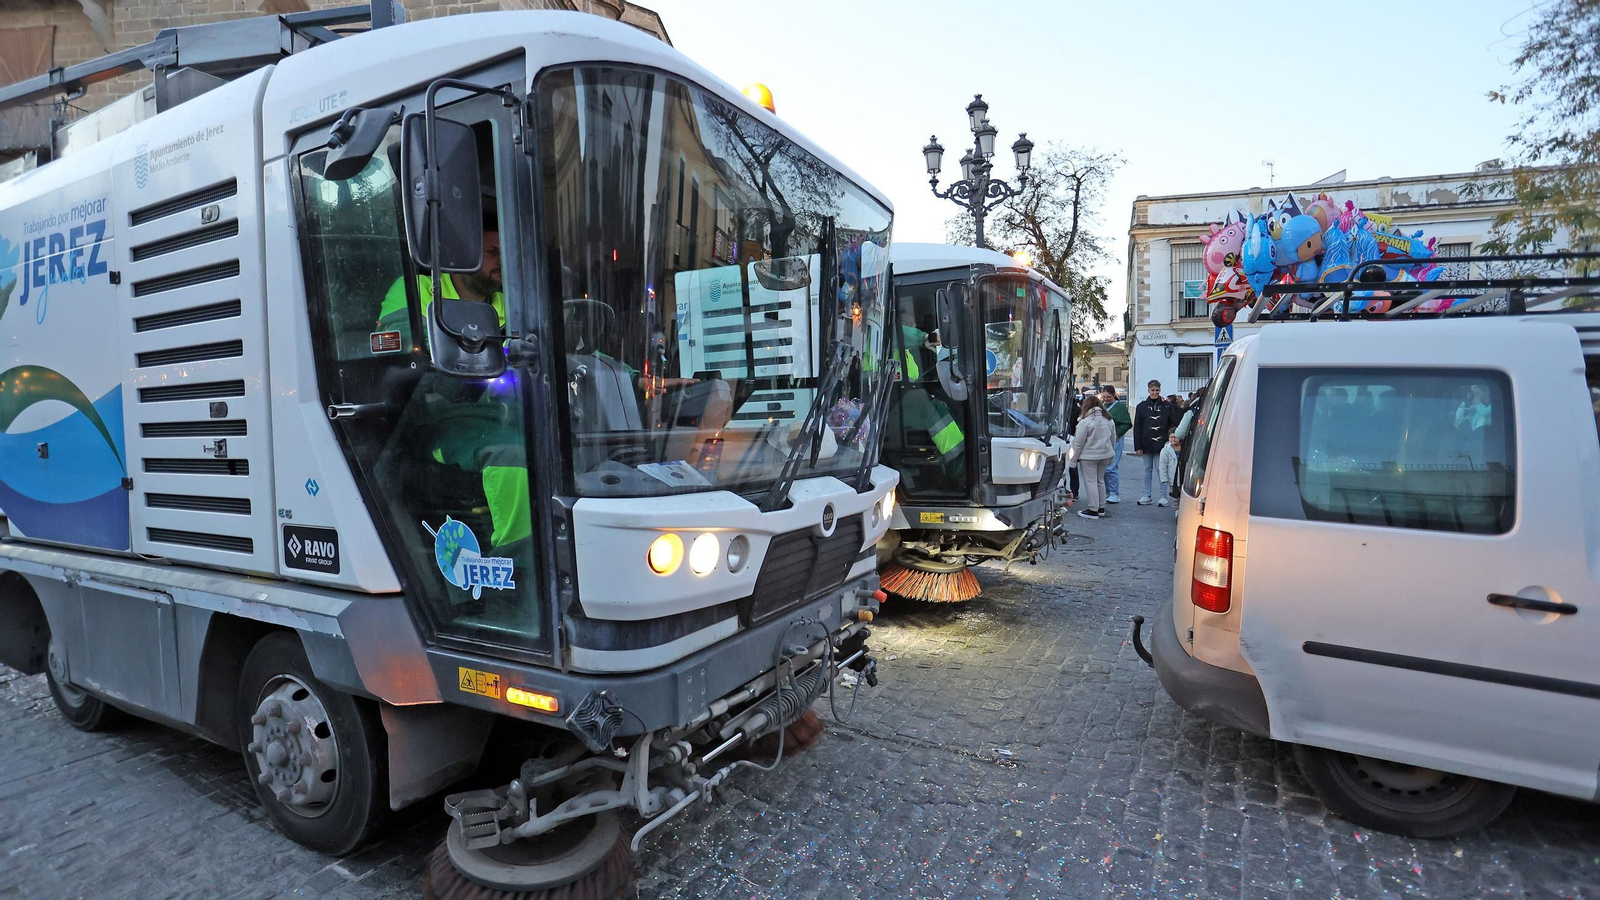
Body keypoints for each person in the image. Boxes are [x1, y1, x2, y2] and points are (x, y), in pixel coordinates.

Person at [379, 217, 529, 550]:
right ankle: (516, 568)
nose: (500, 260)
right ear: (462, 258)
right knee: (513, 458)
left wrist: (635, 380)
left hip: (499, 415)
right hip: (430, 417)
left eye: (504, 251)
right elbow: (406, 354)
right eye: (490, 251)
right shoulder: (414, 290)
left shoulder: (513, 303)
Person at [1068, 393, 1116, 519]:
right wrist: (1111, 454)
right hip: (1105, 455)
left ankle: (1093, 509)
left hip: (1089, 456)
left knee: (1090, 482)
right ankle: (1101, 507)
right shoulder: (1108, 420)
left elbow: (1078, 443)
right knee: (1100, 481)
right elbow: (1113, 439)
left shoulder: (1085, 422)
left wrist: (1073, 460)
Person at [1131, 379, 1178, 505]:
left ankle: (1163, 496)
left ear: (1160, 390)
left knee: (1161, 469)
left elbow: (1172, 424)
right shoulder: (1141, 407)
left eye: (1157, 390)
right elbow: (1137, 427)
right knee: (1147, 470)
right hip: (1146, 442)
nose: (1155, 393)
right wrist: (1138, 446)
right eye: (1152, 390)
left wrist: (1171, 439)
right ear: (1148, 390)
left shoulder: (1167, 406)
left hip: (1162, 443)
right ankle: (1147, 495)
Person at [1100, 385, 1129, 504]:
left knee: (1111, 466)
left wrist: (1117, 434)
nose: (1106, 399)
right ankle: (1107, 491)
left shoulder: (1119, 407)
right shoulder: (1102, 405)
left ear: (1114, 395)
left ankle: (1114, 493)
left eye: (1109, 397)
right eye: (1104, 397)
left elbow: (1126, 423)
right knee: (1103, 466)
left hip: (1115, 439)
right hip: (1103, 439)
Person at [1159, 432, 1181, 509]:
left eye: (1175, 437)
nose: (1173, 439)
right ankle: (1176, 509)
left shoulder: (1184, 448)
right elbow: (1162, 465)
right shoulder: (1165, 450)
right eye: (1171, 437)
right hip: (1172, 477)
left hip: (1182, 477)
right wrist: (1164, 478)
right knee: (1174, 495)